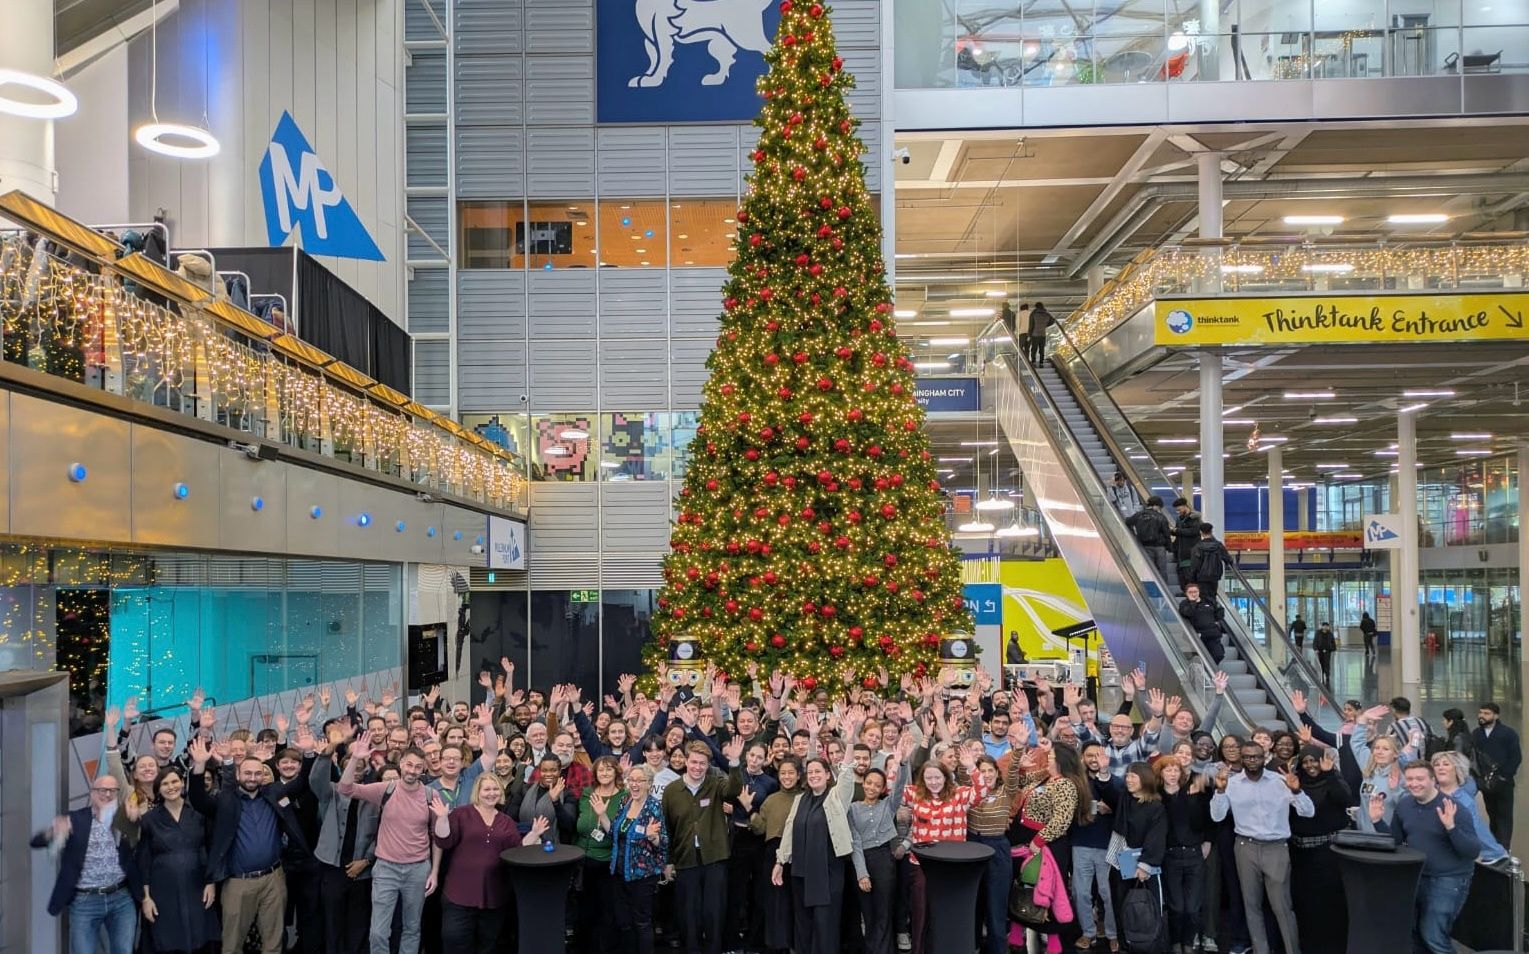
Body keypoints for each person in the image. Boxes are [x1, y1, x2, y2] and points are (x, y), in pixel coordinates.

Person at [186, 736, 313, 954]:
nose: (253, 778)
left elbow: (302, 782)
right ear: (238, 775)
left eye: (258, 773)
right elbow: (198, 799)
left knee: (273, 941)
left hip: (274, 878)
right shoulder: (225, 800)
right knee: (233, 942)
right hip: (238, 883)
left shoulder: (273, 793)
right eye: (247, 773)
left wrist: (309, 753)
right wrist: (198, 765)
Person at [337, 733, 441, 954]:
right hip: (386, 869)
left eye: (418, 767)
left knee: (412, 928)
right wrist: (355, 758)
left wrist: (434, 872)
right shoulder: (386, 789)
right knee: (378, 931)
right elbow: (345, 789)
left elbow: (438, 837)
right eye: (409, 765)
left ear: (424, 769)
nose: (412, 770)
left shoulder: (431, 795)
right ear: (401, 763)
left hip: (418, 870)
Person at [1210, 741, 1314, 954]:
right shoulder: (1231, 783)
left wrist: (1297, 791)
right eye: (1247, 757)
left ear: (1264, 757)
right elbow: (1217, 816)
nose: (1252, 761)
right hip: (1245, 847)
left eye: (1256, 756)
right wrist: (1219, 791)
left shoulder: (1280, 781)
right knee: (1252, 906)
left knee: (1282, 907)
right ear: (1241, 758)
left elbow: (1308, 812)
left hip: (1276, 848)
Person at [1368, 762, 1481, 954]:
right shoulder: (1404, 805)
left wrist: (1451, 828)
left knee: (1433, 936)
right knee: (1414, 936)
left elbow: (1472, 851)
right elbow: (1395, 841)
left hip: (1448, 879)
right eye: (1410, 779)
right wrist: (1378, 822)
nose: (1414, 783)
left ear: (1432, 780)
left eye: (1420, 779)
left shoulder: (1455, 808)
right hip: (1417, 876)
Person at [432, 773, 548, 952]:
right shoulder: (461, 814)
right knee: (454, 939)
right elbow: (444, 841)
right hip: (459, 894)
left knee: (488, 944)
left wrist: (534, 834)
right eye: (486, 789)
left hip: (494, 894)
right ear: (477, 792)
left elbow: (515, 849)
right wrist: (441, 818)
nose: (491, 793)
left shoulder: (506, 821)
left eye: (495, 789)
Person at [31, 772, 143, 954]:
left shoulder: (125, 817)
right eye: (102, 790)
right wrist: (52, 833)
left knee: (124, 950)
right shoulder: (75, 819)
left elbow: (142, 841)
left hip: (121, 899)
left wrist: (137, 820)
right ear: (92, 793)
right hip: (85, 902)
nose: (107, 795)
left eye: (112, 791)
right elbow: (36, 842)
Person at [662, 736, 746, 954]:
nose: (698, 767)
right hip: (685, 859)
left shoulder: (715, 784)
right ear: (685, 762)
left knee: (714, 913)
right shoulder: (671, 791)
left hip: (714, 859)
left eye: (702, 763)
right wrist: (669, 861)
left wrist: (735, 762)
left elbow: (734, 790)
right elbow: (667, 829)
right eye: (694, 762)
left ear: (708, 765)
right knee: (689, 915)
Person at [900, 747, 986, 954]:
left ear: (945, 778)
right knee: (921, 913)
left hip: (951, 865)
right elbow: (893, 792)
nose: (933, 782)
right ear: (923, 780)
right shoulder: (915, 794)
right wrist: (901, 762)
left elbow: (982, 792)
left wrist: (971, 767)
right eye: (929, 778)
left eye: (937, 777)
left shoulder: (958, 795)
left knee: (947, 913)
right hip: (921, 864)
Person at [773, 756, 860, 954]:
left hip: (827, 872)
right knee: (803, 924)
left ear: (828, 775)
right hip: (801, 872)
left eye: (818, 771)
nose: (813, 775)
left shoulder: (836, 797)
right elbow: (789, 830)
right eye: (810, 772)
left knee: (825, 924)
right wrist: (780, 861)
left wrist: (850, 741)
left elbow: (846, 777)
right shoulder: (799, 799)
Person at [309, 721, 380, 954]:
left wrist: (367, 860)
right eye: (351, 766)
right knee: (333, 925)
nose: (355, 770)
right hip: (333, 869)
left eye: (360, 767)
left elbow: (383, 833)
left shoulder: (374, 796)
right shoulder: (330, 791)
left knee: (359, 926)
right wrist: (331, 746)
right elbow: (315, 779)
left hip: (362, 871)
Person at [136, 768, 219, 954]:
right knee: (167, 940)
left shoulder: (199, 813)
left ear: (182, 783)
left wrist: (211, 882)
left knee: (201, 937)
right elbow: (144, 860)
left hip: (198, 887)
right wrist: (146, 897)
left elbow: (211, 848)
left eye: (174, 782)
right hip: (163, 891)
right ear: (158, 789)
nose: (170, 787)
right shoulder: (149, 819)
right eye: (165, 784)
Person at [1287, 746, 1351, 954]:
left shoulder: (1332, 779)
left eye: (1313, 761)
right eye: (1305, 762)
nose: (1310, 766)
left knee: (1330, 903)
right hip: (1302, 854)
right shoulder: (1295, 782)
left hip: (1329, 853)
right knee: (1307, 905)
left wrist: (1329, 773)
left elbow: (1345, 799)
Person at [849, 739, 910, 954]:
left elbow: (900, 788)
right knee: (868, 913)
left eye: (878, 784)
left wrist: (901, 764)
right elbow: (855, 842)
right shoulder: (853, 809)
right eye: (869, 782)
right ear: (863, 783)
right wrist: (861, 874)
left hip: (885, 859)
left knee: (884, 911)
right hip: (863, 860)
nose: (873, 787)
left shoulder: (888, 805)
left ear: (883, 787)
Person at [612, 764, 670, 954]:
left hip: (642, 876)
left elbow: (663, 842)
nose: (634, 784)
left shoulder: (654, 806)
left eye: (640, 780)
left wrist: (653, 837)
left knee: (642, 923)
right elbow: (614, 831)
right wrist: (601, 815)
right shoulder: (625, 801)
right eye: (632, 780)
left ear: (649, 784)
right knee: (624, 922)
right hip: (620, 872)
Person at [1109, 762, 1167, 952]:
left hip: (1145, 866)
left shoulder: (1155, 806)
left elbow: (1156, 837)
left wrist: (1145, 865)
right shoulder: (1125, 799)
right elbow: (1107, 789)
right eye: (1127, 776)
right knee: (1123, 905)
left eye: (1133, 776)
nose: (1128, 780)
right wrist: (1103, 771)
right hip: (1122, 861)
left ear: (1145, 778)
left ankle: (1152, 946)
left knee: (1150, 906)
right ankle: (1128, 945)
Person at [1156, 756, 1210, 954]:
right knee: (1176, 907)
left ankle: (1188, 943)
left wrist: (1193, 799)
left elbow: (1202, 822)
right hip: (1170, 857)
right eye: (1168, 770)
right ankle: (1175, 943)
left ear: (1181, 773)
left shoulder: (1192, 793)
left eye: (1176, 770)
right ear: (1161, 773)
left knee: (1193, 908)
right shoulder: (1157, 796)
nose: (1172, 774)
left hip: (1194, 855)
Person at [1075, 742, 1125, 951]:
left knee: (1108, 893)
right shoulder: (1076, 782)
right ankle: (1088, 932)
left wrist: (1110, 807)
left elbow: (1119, 802)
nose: (1094, 759)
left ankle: (1113, 933)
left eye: (1099, 755)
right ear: (1082, 758)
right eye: (1089, 755)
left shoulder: (1116, 781)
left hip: (1108, 845)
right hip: (1081, 843)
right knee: (1081, 892)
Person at [575, 755, 626, 953]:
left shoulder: (624, 796)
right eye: (601, 769)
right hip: (583, 862)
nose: (604, 773)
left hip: (607, 864)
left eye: (609, 769)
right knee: (585, 912)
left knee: (606, 913)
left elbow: (618, 833)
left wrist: (602, 815)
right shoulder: (587, 793)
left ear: (616, 772)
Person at [1431, 751, 1508, 865]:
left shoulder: (1463, 801)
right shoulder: (1429, 791)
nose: (1440, 767)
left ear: (1457, 769)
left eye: (1446, 764)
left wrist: (1493, 852)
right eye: (1437, 765)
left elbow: (1477, 830)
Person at [1471, 701, 1520, 849]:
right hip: (1486, 783)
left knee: (1504, 815)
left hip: (1503, 782)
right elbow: (1474, 758)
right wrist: (1479, 778)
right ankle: (1495, 846)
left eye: (1486, 713)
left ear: (1496, 715)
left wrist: (1504, 776)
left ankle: (1504, 847)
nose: (1482, 716)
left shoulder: (1508, 733)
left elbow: (1516, 757)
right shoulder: (1476, 734)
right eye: (1481, 713)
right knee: (1492, 814)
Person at [1126, 495, 1177, 587]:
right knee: (1162, 569)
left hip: (1144, 546)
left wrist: (1134, 535)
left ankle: (1151, 589)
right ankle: (1165, 589)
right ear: (1156, 505)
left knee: (1149, 569)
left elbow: (1128, 522)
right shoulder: (1161, 517)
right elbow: (1166, 534)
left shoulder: (1139, 515)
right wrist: (1170, 547)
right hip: (1160, 547)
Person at [1179, 582, 1226, 665]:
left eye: (1195, 591)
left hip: (1212, 634)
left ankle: (1211, 670)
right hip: (1197, 635)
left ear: (1199, 592)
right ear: (1186, 593)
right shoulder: (1184, 604)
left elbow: (1220, 610)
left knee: (1218, 655)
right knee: (1199, 658)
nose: (1194, 594)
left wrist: (1216, 620)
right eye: (1190, 592)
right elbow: (1187, 613)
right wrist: (1193, 602)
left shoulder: (1208, 600)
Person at [1188, 522, 1233, 601]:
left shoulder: (1197, 547)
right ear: (1211, 532)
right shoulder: (1218, 545)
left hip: (1201, 577)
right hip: (1214, 576)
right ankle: (1213, 609)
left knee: (1203, 597)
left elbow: (1194, 565)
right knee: (1213, 596)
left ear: (1200, 532)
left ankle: (1206, 610)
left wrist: (1192, 579)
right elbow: (1228, 559)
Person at [1170, 498, 1202, 592]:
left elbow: (1193, 532)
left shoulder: (1194, 518)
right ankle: (1185, 592)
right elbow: (1179, 533)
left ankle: (1191, 594)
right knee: (1182, 576)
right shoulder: (1179, 519)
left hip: (1190, 552)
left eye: (1179, 509)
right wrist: (1172, 531)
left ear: (1185, 506)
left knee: (1190, 576)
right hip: (1180, 552)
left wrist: (1177, 530)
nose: (1178, 512)